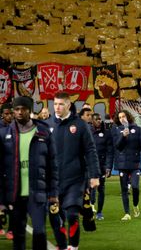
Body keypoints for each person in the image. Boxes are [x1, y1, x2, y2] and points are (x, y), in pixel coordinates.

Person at [0, 96, 59, 250]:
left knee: (40, 232)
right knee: (18, 236)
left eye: (23, 109)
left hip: (37, 194)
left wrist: (53, 193)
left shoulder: (43, 132)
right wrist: (1, 201)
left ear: (30, 111)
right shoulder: (4, 135)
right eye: (17, 109)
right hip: (15, 195)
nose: (19, 112)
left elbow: (53, 165)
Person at [51, 92, 100, 250]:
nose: (57, 107)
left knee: (72, 214)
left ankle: (73, 246)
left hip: (75, 179)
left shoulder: (80, 125)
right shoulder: (48, 125)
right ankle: (62, 245)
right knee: (56, 217)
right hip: (54, 180)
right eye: (55, 104)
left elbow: (90, 150)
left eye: (61, 104)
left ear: (68, 105)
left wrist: (94, 175)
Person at [114, 110, 141, 221]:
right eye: (120, 117)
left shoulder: (138, 130)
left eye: (123, 116)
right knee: (124, 189)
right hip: (122, 163)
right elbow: (117, 146)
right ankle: (127, 213)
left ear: (128, 117)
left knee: (135, 187)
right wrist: (123, 136)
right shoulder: (118, 130)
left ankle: (135, 204)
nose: (122, 119)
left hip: (135, 163)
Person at [89, 113, 114, 221]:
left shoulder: (107, 133)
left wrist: (108, 167)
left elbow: (110, 152)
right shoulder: (88, 132)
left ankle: (99, 212)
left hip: (102, 166)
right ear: (92, 121)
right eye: (96, 119)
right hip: (90, 165)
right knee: (90, 189)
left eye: (100, 119)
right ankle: (90, 209)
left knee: (101, 189)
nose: (99, 121)